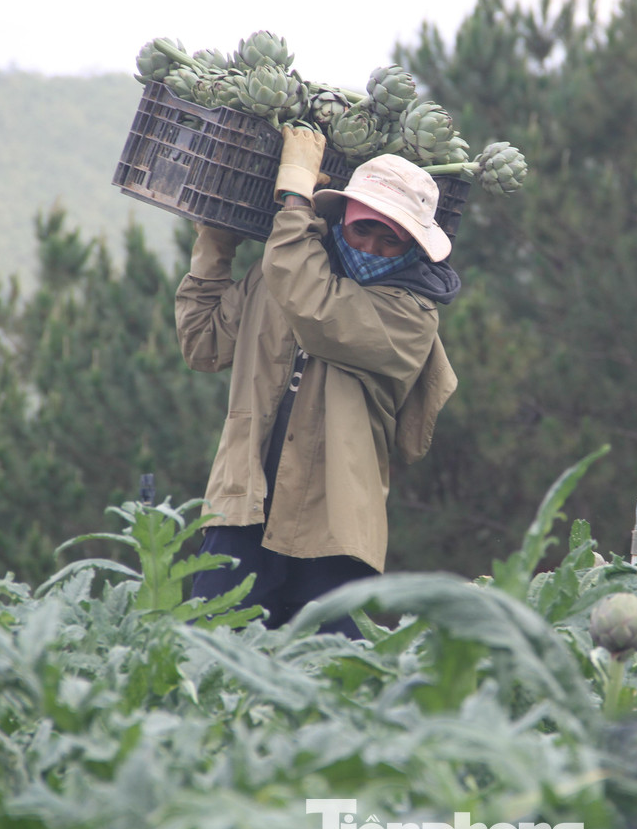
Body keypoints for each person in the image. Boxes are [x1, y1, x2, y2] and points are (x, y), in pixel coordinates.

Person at [174, 126, 460, 636]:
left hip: (335, 528)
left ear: (412, 247)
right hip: (242, 503)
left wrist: (293, 194)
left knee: (326, 685)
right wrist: (213, 245)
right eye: (363, 229)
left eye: (389, 238)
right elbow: (202, 345)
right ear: (342, 221)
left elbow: (317, 309)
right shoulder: (280, 272)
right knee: (210, 665)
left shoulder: (411, 317)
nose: (371, 244)